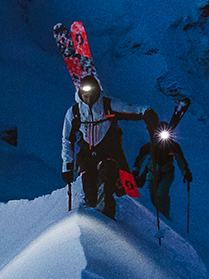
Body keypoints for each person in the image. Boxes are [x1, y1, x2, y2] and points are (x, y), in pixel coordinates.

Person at [61, 74, 158, 219]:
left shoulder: (108, 105)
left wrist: (147, 112)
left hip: (109, 155)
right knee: (90, 193)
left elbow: (131, 109)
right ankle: (93, 228)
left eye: (90, 92)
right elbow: (67, 139)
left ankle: (107, 223)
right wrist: (67, 166)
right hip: (87, 158)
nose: (88, 97)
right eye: (84, 93)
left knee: (105, 186)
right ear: (80, 92)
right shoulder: (74, 113)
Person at [133, 123, 192, 222]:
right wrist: (135, 172)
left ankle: (164, 219)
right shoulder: (150, 146)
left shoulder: (174, 146)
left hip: (167, 174)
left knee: (161, 194)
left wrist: (186, 173)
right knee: (154, 197)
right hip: (152, 174)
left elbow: (180, 160)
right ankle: (156, 218)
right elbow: (140, 159)